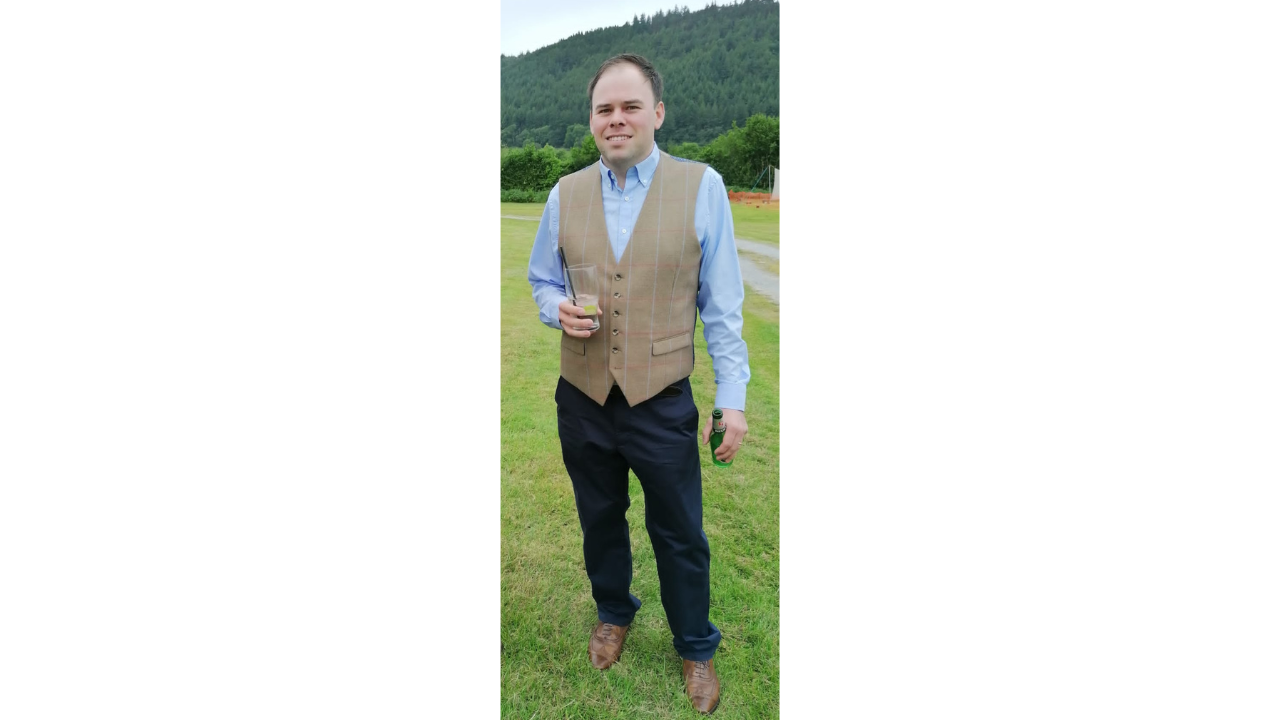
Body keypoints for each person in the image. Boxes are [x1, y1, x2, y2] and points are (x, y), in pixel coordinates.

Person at [526, 53, 750, 715]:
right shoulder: (564, 193)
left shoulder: (702, 186)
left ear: (657, 113)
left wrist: (731, 400)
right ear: (592, 119)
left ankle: (695, 645)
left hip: (661, 398)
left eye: (630, 106)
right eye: (605, 109)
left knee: (679, 530)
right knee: (599, 517)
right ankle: (613, 611)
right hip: (583, 396)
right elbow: (543, 279)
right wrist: (555, 308)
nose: (616, 119)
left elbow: (722, 306)